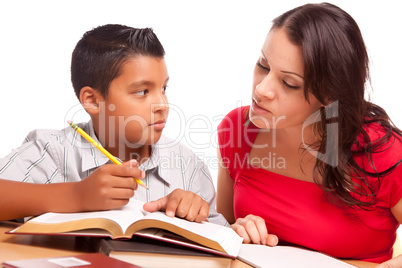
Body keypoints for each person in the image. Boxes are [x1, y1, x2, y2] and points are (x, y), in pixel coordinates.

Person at [216, 2, 402, 265]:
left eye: (289, 83)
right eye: (263, 65)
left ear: (328, 96)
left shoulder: (382, 151)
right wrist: (237, 232)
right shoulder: (237, 129)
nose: (261, 90)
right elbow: (221, 230)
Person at [0, 24, 227, 226]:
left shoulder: (189, 169)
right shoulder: (52, 152)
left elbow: (224, 239)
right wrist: (76, 195)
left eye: (164, 88)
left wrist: (195, 214)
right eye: (142, 91)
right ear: (92, 100)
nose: (162, 104)